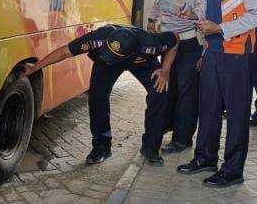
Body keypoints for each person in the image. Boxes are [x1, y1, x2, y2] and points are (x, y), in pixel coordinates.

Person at [176, 0, 257, 188]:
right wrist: (196, 14)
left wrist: (221, 29)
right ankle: (205, 158)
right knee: (209, 106)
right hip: (213, 49)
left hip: (236, 52)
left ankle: (233, 170)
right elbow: (204, 0)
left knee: (236, 112)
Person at [25, 25, 179, 166]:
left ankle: (151, 147)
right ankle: (101, 146)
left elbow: (174, 39)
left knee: (160, 92)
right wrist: (35, 67)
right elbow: (65, 52)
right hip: (106, 64)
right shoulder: (99, 38)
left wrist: (165, 71)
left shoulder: (149, 42)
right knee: (97, 96)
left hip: (141, 62)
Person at [148, 0, 203, 154]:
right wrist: (153, 19)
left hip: (189, 43)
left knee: (187, 92)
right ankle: (167, 126)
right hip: (168, 41)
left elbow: (204, 19)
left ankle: (182, 138)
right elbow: (158, 0)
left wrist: (204, 52)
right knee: (168, 86)